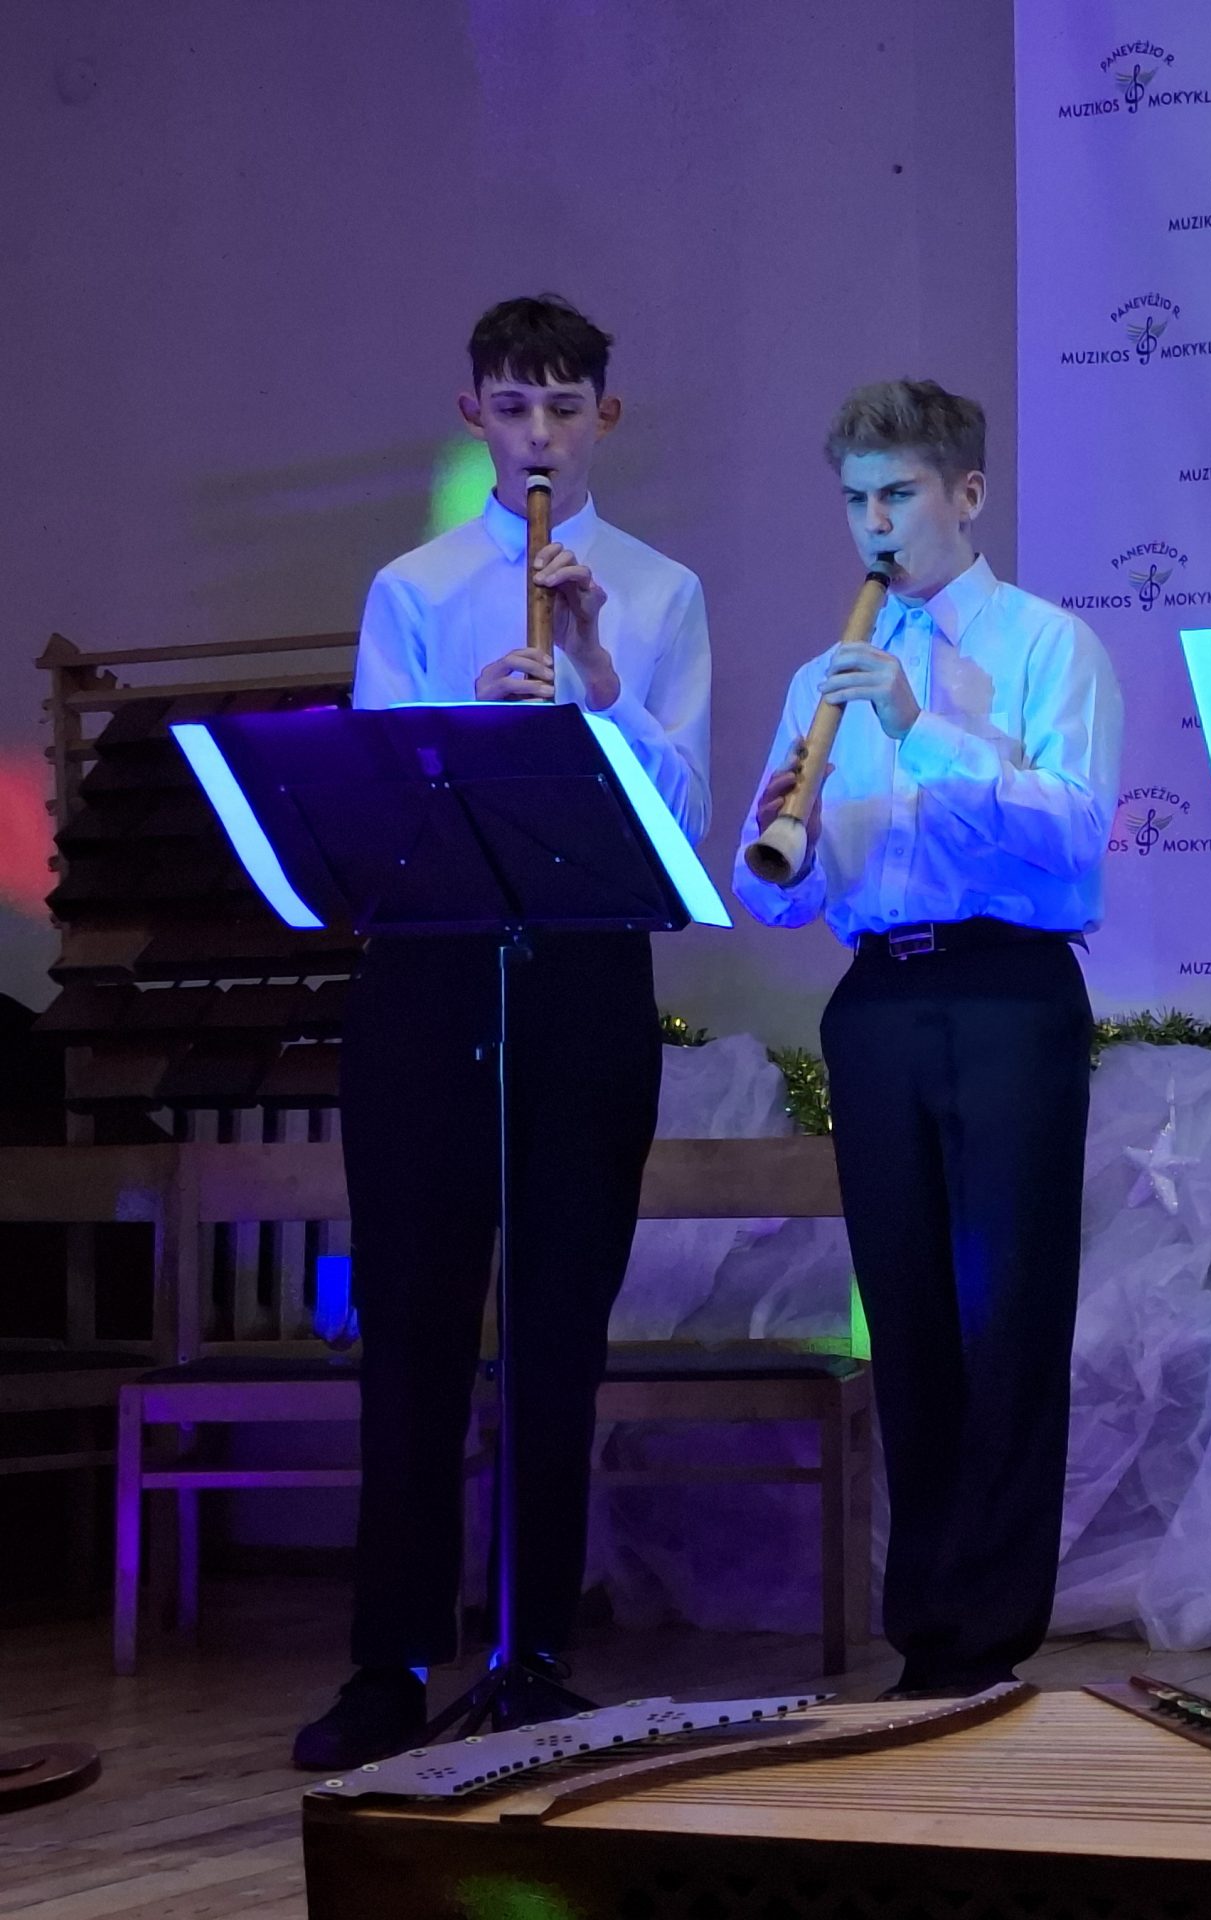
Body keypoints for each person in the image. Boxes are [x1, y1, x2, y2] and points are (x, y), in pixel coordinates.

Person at [293, 294, 711, 1770]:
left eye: (565, 409)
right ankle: (388, 1663)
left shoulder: (659, 590)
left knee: (557, 1325)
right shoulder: (410, 587)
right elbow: (370, 806)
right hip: (430, 982)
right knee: (411, 1323)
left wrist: (595, 680)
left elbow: (687, 820)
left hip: (583, 978)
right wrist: (466, 731)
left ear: (606, 417)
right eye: (513, 408)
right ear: (472, 414)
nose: (540, 437)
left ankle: (535, 1653)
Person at [734, 377, 1122, 1700]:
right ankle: (925, 1632)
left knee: (1006, 1320)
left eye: (898, 494)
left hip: (1008, 991)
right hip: (878, 1001)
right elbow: (775, 895)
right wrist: (780, 841)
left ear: (968, 492)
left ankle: (989, 1637)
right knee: (903, 1320)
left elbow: (1073, 835)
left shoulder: (1048, 645)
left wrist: (917, 726)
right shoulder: (820, 675)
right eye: (856, 499)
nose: (874, 525)